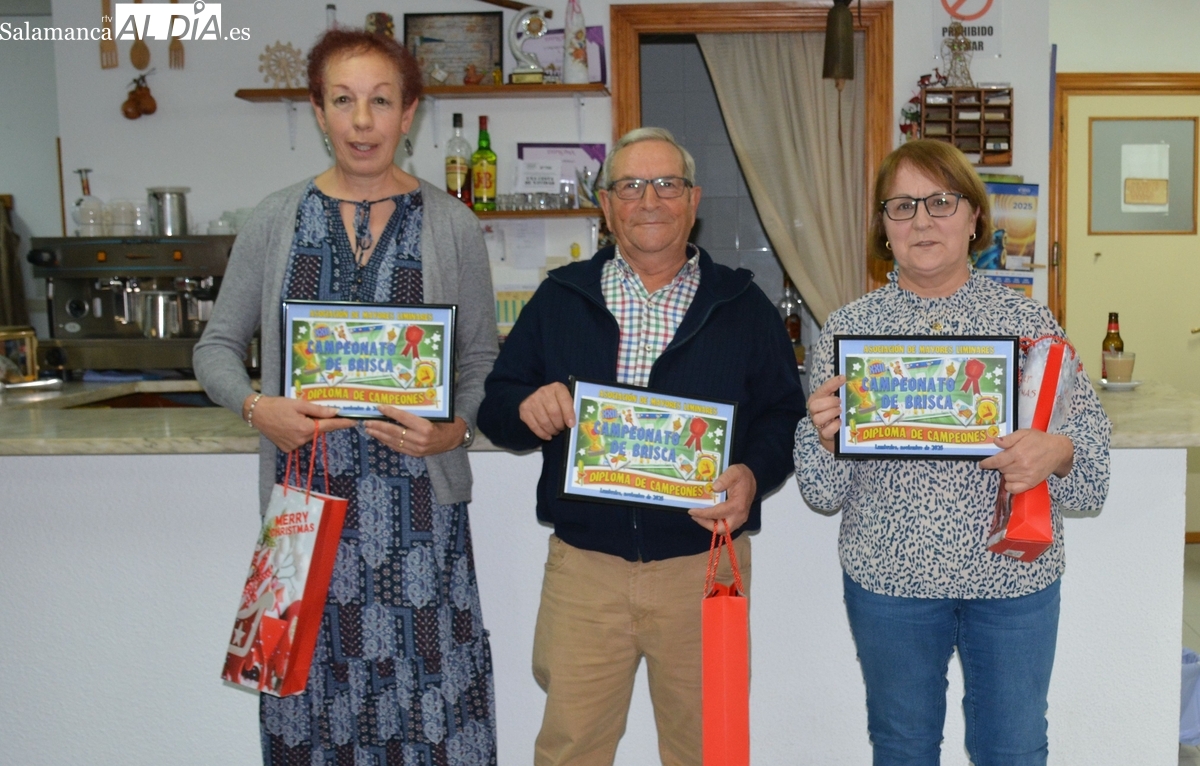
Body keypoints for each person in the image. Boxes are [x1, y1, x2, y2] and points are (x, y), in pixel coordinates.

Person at [194, 28, 499, 765]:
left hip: (421, 517)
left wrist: (454, 431)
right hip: (304, 513)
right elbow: (214, 348)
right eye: (343, 101)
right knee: (309, 712)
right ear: (318, 110)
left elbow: (481, 360)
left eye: (381, 101)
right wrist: (257, 409)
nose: (362, 122)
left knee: (429, 711)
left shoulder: (453, 224)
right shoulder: (274, 219)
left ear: (409, 112)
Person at [477, 127, 805, 766]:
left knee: (709, 751)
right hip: (586, 571)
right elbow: (496, 404)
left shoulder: (743, 305)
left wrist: (752, 473)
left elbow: (784, 415)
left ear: (693, 200)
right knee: (570, 752)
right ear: (606, 205)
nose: (648, 200)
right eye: (629, 186)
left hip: (704, 568)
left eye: (666, 184)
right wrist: (526, 407)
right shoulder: (560, 296)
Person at [796, 139, 1111, 766]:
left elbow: (1093, 472)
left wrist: (1058, 451)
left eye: (940, 202)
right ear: (884, 227)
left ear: (974, 218)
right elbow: (820, 492)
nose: (921, 221)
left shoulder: (1029, 325)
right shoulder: (846, 332)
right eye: (902, 205)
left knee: (1014, 750)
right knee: (903, 749)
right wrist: (827, 440)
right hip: (890, 582)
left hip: (1012, 580)